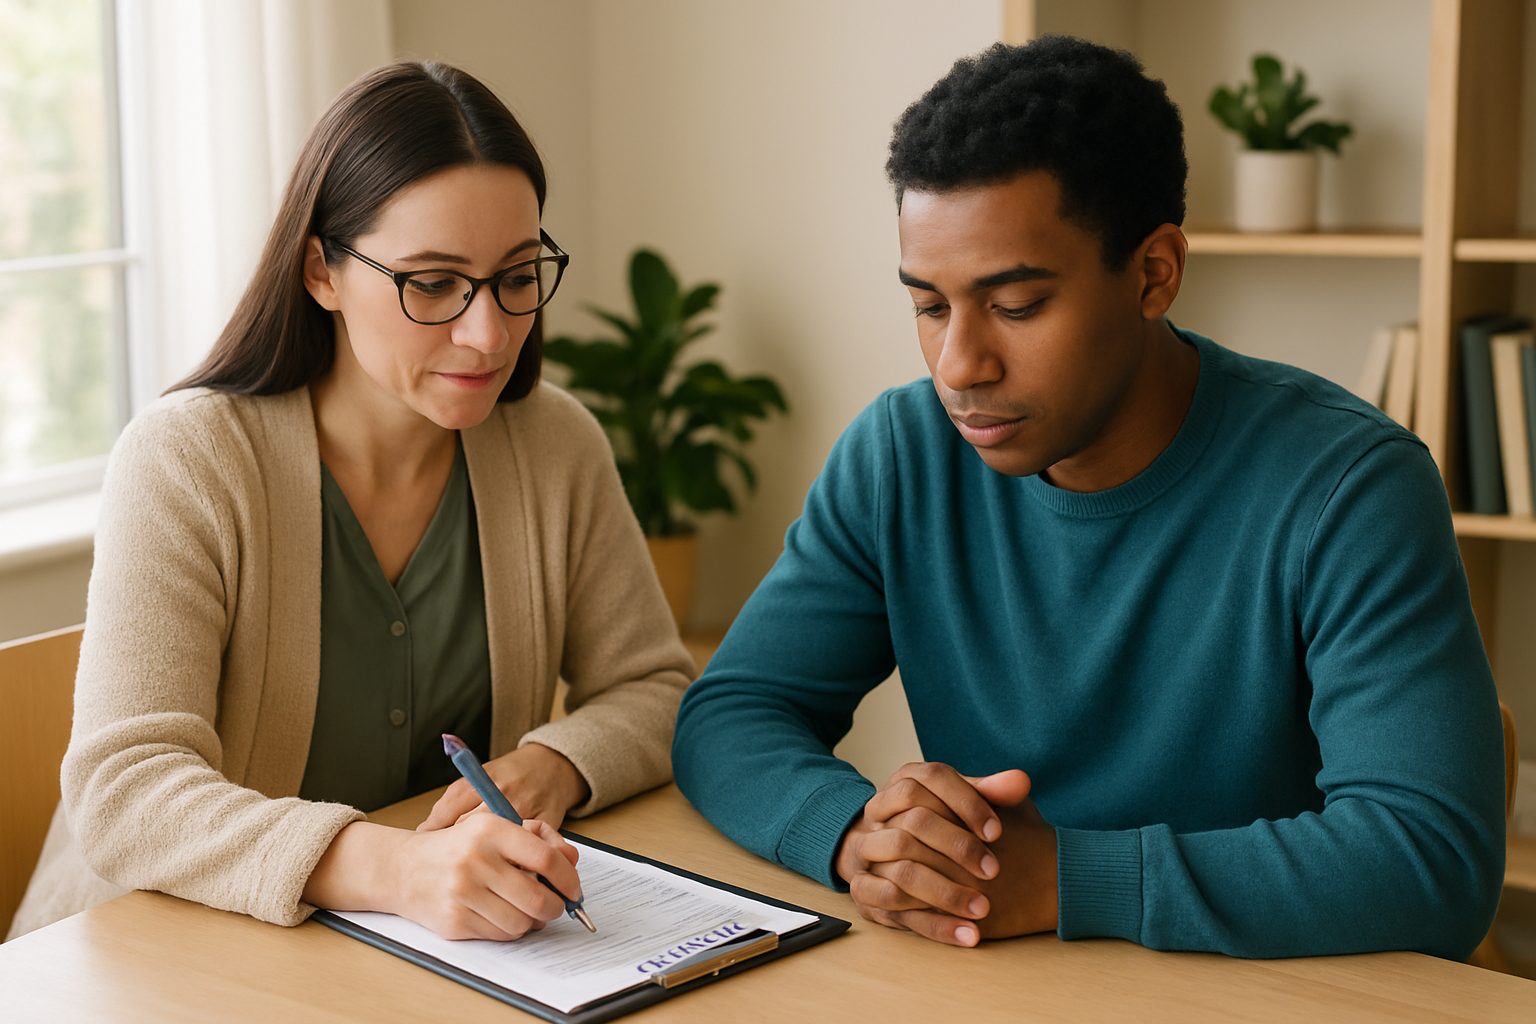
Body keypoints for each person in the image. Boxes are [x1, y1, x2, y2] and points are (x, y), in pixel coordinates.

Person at [672, 36, 1505, 960]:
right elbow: (732, 712)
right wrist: (853, 835)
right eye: (930, 305)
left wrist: (1069, 878)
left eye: (1017, 305)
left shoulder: (1350, 487)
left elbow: (1432, 861)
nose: (960, 366)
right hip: (998, 987)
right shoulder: (901, 454)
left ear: (1154, 273)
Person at [9, 61, 690, 942]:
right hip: (152, 955)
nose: (489, 334)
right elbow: (125, 788)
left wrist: (553, 763)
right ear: (321, 272)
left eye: (518, 277)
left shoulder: (554, 444)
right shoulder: (189, 458)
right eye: (434, 283)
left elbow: (658, 687)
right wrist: (394, 866)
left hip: (420, 951)